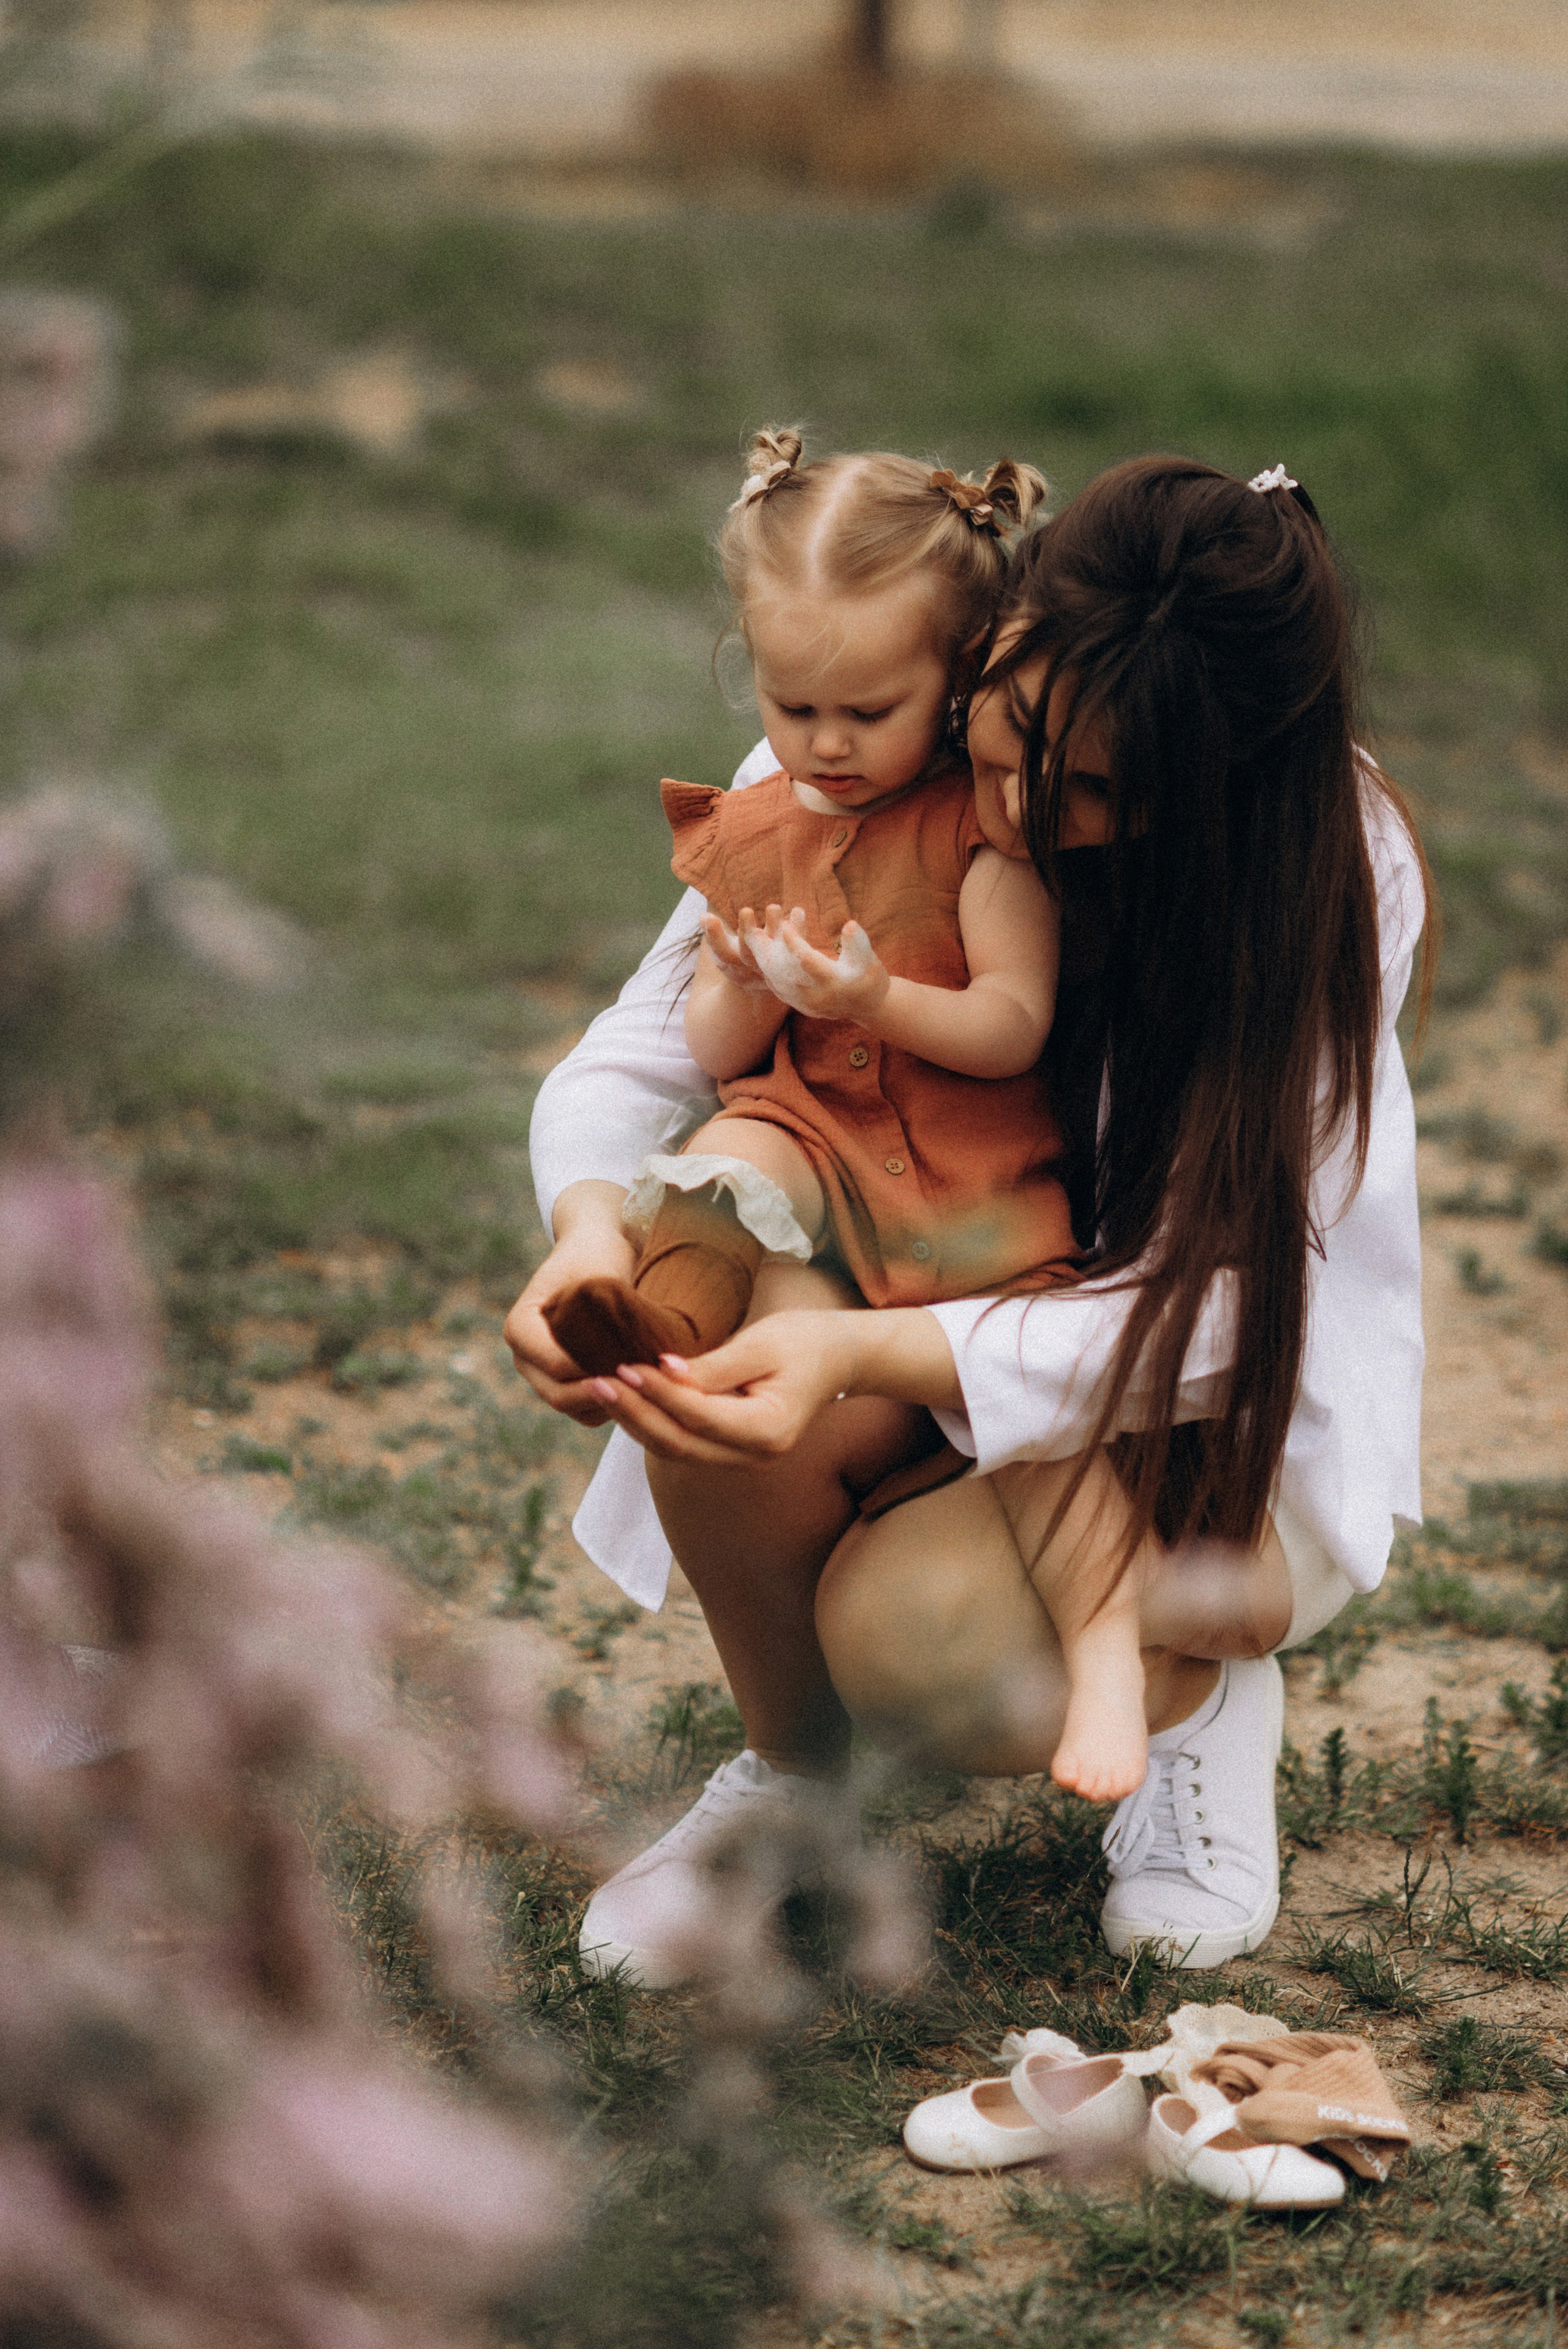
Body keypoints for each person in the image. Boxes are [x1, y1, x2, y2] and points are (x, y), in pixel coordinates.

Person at [507, 454, 1430, 1989]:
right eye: (1003, 747)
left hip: (1178, 1400)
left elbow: (1212, 1312)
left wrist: (860, 1355)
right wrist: (589, 1233)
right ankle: (790, 1786)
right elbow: (640, 1053)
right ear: (989, 646)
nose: (1018, 813)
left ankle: (1191, 1698)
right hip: (933, 1277)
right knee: (711, 1309)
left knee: (924, 1649)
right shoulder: (864, 740)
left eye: (1090, 796)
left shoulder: (1323, 878)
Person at [545, 429, 1224, 1800]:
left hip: (973, 1194)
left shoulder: (991, 829)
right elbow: (702, 1050)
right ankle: (652, 1318)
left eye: (865, 709)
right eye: (791, 705)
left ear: (965, 671)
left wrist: (872, 1000)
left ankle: (1108, 1661)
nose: (824, 743)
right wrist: (744, 983)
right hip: (823, 1160)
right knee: (721, 1157)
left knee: (1039, 1442)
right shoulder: (764, 818)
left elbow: (1011, 1024)